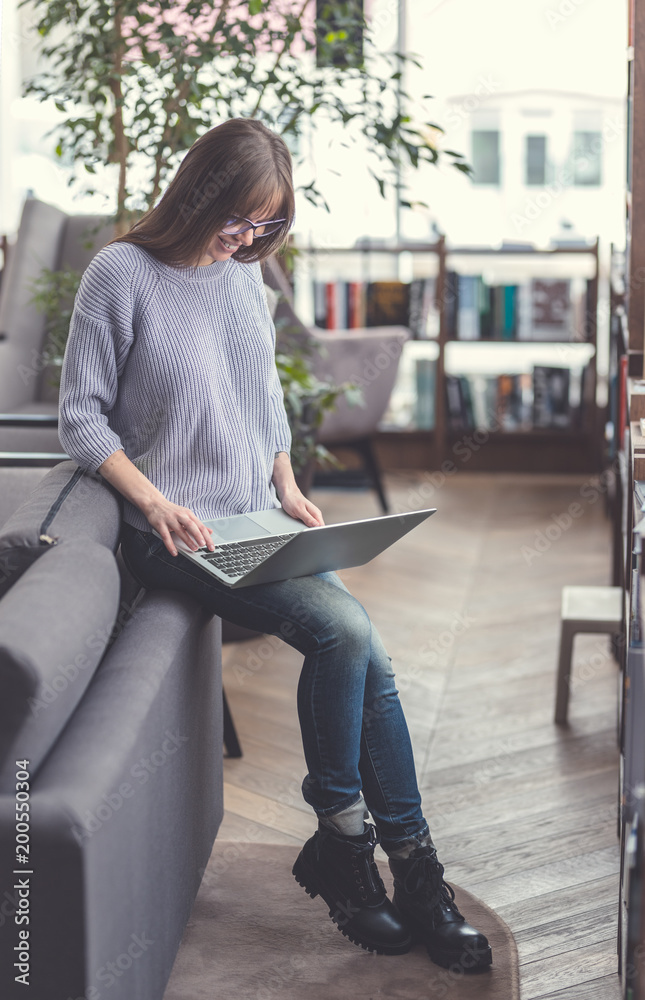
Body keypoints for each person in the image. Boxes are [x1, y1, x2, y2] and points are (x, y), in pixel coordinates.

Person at [58, 117, 492, 972]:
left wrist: (287, 485)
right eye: (239, 219)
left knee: (365, 652)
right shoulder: (121, 274)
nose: (249, 238)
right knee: (346, 633)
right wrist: (155, 504)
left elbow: (263, 403)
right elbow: (80, 417)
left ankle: (395, 863)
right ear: (199, 194)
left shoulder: (241, 277)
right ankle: (365, 848)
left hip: (254, 516)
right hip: (172, 533)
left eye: (267, 225)